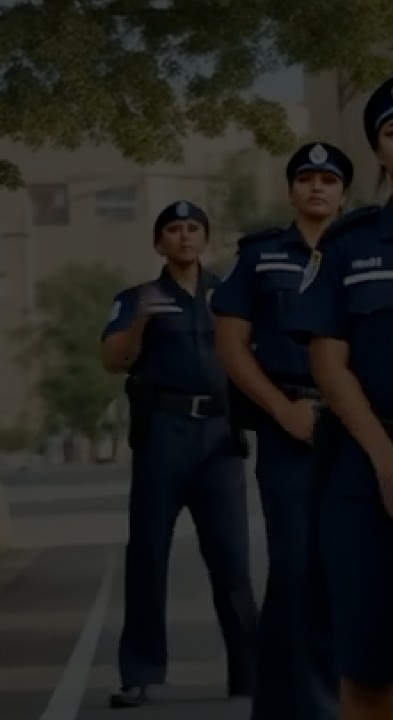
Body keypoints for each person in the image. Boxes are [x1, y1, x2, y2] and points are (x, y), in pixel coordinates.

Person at [289, 72, 393, 719]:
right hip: (367, 472)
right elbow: (326, 359)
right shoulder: (351, 245)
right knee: (370, 673)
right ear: (377, 151)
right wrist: (387, 461)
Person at [211, 141, 354, 717]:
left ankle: (278, 702)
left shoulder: (367, 252)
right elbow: (230, 344)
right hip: (289, 424)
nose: (317, 186)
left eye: (328, 178)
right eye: (306, 178)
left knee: (340, 566)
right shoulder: (261, 256)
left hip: (356, 428)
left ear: (344, 191)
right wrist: (279, 409)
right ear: (292, 189)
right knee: (296, 565)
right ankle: (314, 707)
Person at [100, 201, 257, 708]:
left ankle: (249, 674)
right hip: (163, 435)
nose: (184, 236)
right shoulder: (138, 298)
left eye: (193, 228)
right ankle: (139, 674)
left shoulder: (227, 295)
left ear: (204, 238)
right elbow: (113, 359)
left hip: (219, 436)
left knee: (232, 560)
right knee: (148, 555)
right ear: (159, 242)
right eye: (173, 229)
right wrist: (141, 324)